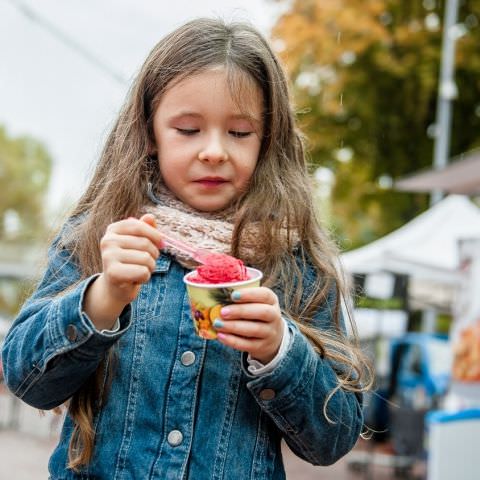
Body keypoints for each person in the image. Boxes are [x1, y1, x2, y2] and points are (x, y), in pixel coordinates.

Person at [1, 18, 372, 479]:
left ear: (267, 140)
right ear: (151, 134)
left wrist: (280, 351)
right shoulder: (101, 234)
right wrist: (103, 298)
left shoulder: (295, 263)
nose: (214, 151)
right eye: (188, 129)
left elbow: (333, 440)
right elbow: (27, 381)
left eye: (239, 133)